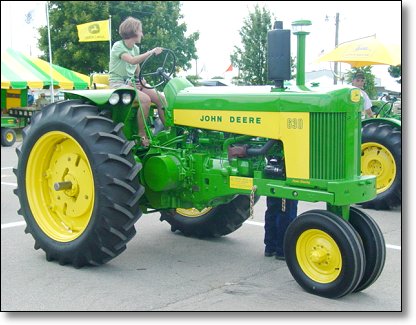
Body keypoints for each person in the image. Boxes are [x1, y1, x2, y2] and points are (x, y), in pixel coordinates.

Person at [109, 16, 166, 147]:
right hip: (118, 84)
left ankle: (169, 132)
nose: (142, 33)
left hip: (132, 83)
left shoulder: (135, 48)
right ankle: (142, 136)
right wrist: (151, 52)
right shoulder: (118, 46)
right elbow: (132, 60)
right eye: (140, 30)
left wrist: (142, 80)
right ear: (133, 31)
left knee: (160, 98)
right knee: (145, 100)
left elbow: (136, 68)